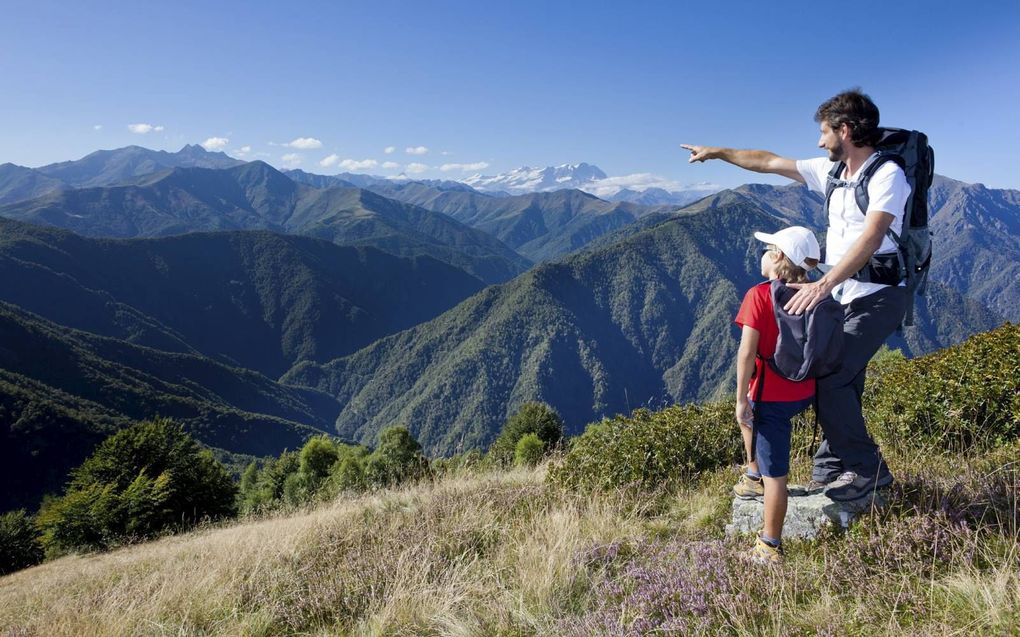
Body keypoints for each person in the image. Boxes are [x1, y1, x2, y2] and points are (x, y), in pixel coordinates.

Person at [682, 88, 906, 501]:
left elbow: (873, 235)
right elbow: (768, 162)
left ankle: (868, 471)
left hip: (879, 295)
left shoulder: (887, 175)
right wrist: (718, 153)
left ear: (845, 129)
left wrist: (824, 283)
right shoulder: (833, 172)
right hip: (842, 295)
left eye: (824, 133)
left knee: (834, 375)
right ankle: (829, 468)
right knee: (835, 374)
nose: (820, 143)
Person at [733, 226, 819, 563]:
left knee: (776, 476)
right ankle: (754, 474)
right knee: (752, 420)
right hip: (807, 388)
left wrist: (740, 400)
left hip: (771, 395)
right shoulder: (814, 291)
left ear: (779, 256)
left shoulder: (758, 295)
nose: (764, 253)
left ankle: (770, 546)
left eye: (769, 248)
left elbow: (746, 353)